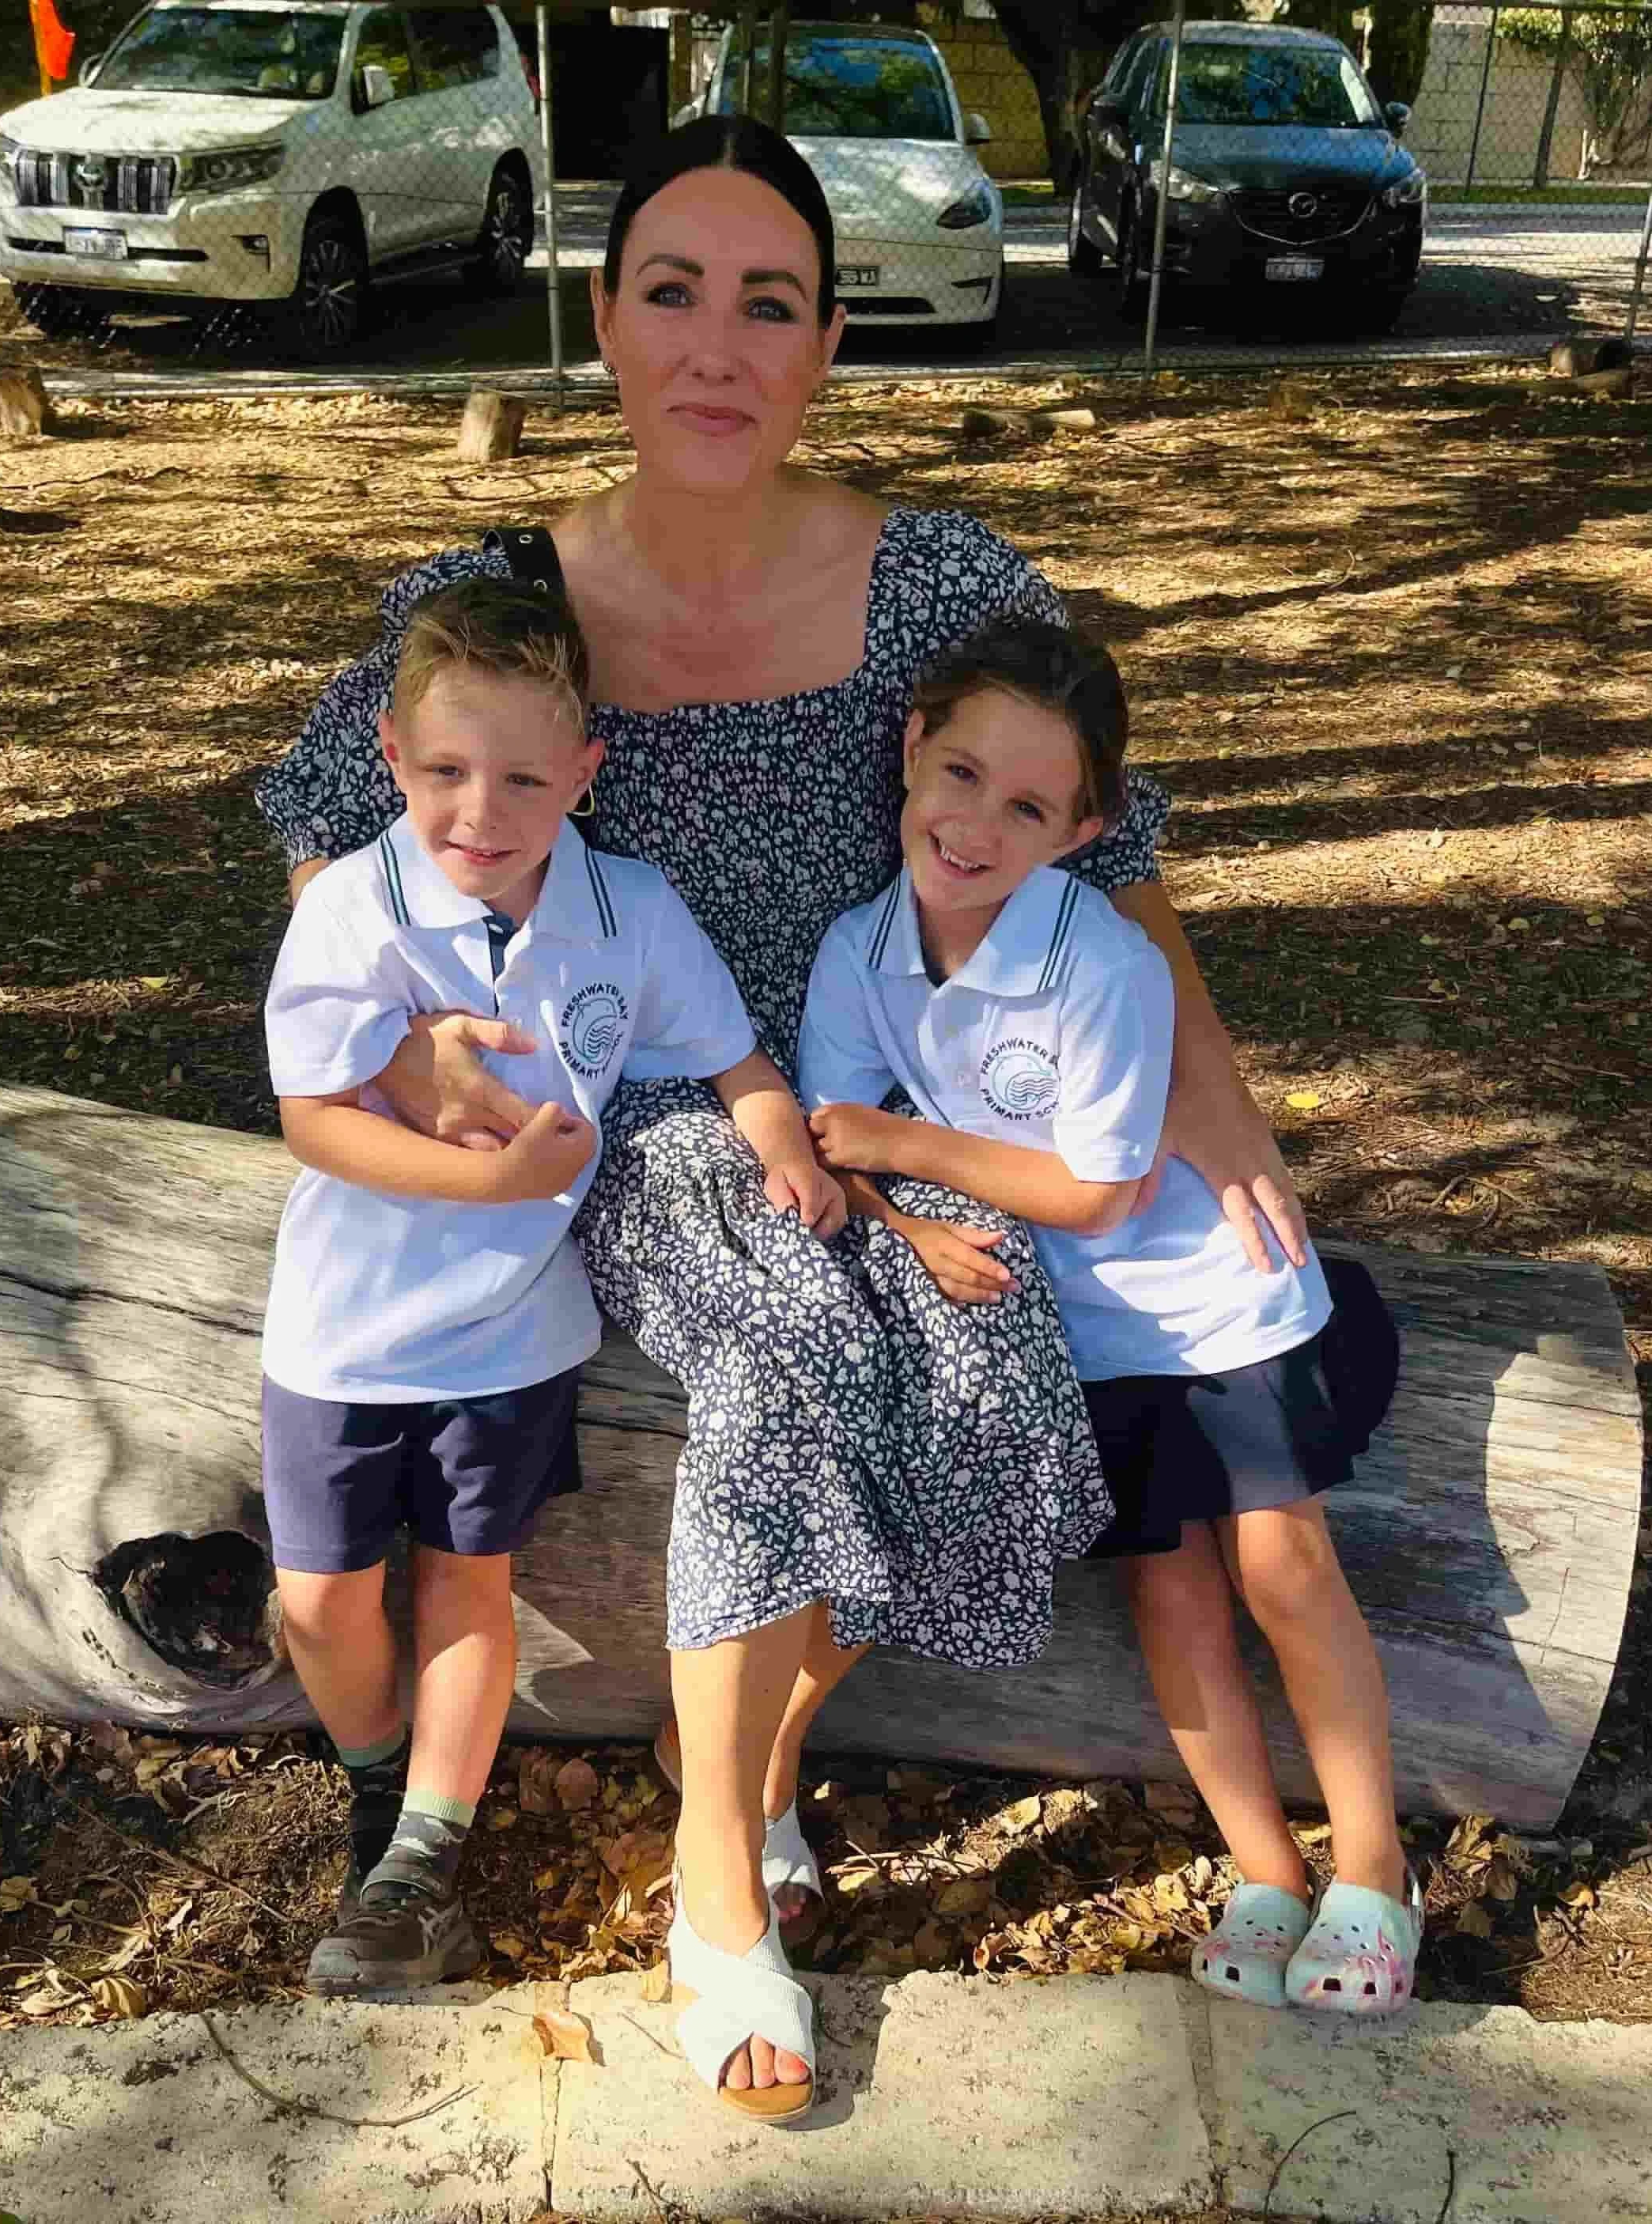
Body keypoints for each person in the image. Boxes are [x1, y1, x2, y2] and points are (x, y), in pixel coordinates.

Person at [259, 115, 1310, 2112]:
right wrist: (408, 1054)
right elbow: (330, 828)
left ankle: (717, 1741)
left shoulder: (939, 581)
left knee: (997, 1356)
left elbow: (1114, 852)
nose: (717, 347)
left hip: (878, 1109)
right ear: (606, 320)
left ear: (826, 340)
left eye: (767, 304)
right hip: (622, 1113)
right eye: (672, 294)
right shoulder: (498, 594)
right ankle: (716, 1877)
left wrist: (1219, 1098)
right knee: (792, 1342)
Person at [800, 618, 1418, 2020]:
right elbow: (841, 1136)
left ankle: (1375, 1869)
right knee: (1170, 1582)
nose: (974, 826)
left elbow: (1096, 1189)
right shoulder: (859, 951)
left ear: (1086, 827)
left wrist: (909, 1155)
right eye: (957, 774)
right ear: (911, 749)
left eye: (1027, 806)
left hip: (1211, 1304)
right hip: (1070, 1337)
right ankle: (1264, 1869)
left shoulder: (1109, 967)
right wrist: (904, 1217)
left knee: (1278, 1562)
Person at [261, 576, 842, 1996]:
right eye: (448, 771)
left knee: (473, 1579)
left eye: (524, 775)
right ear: (391, 757)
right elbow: (314, 1115)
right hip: (345, 1329)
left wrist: (789, 1159)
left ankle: (422, 1853)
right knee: (325, 1598)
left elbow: (732, 1055)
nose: (482, 811)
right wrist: (491, 1183)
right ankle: (371, 1770)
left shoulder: (627, 909)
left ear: (585, 774)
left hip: (518, 1331)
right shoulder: (352, 906)